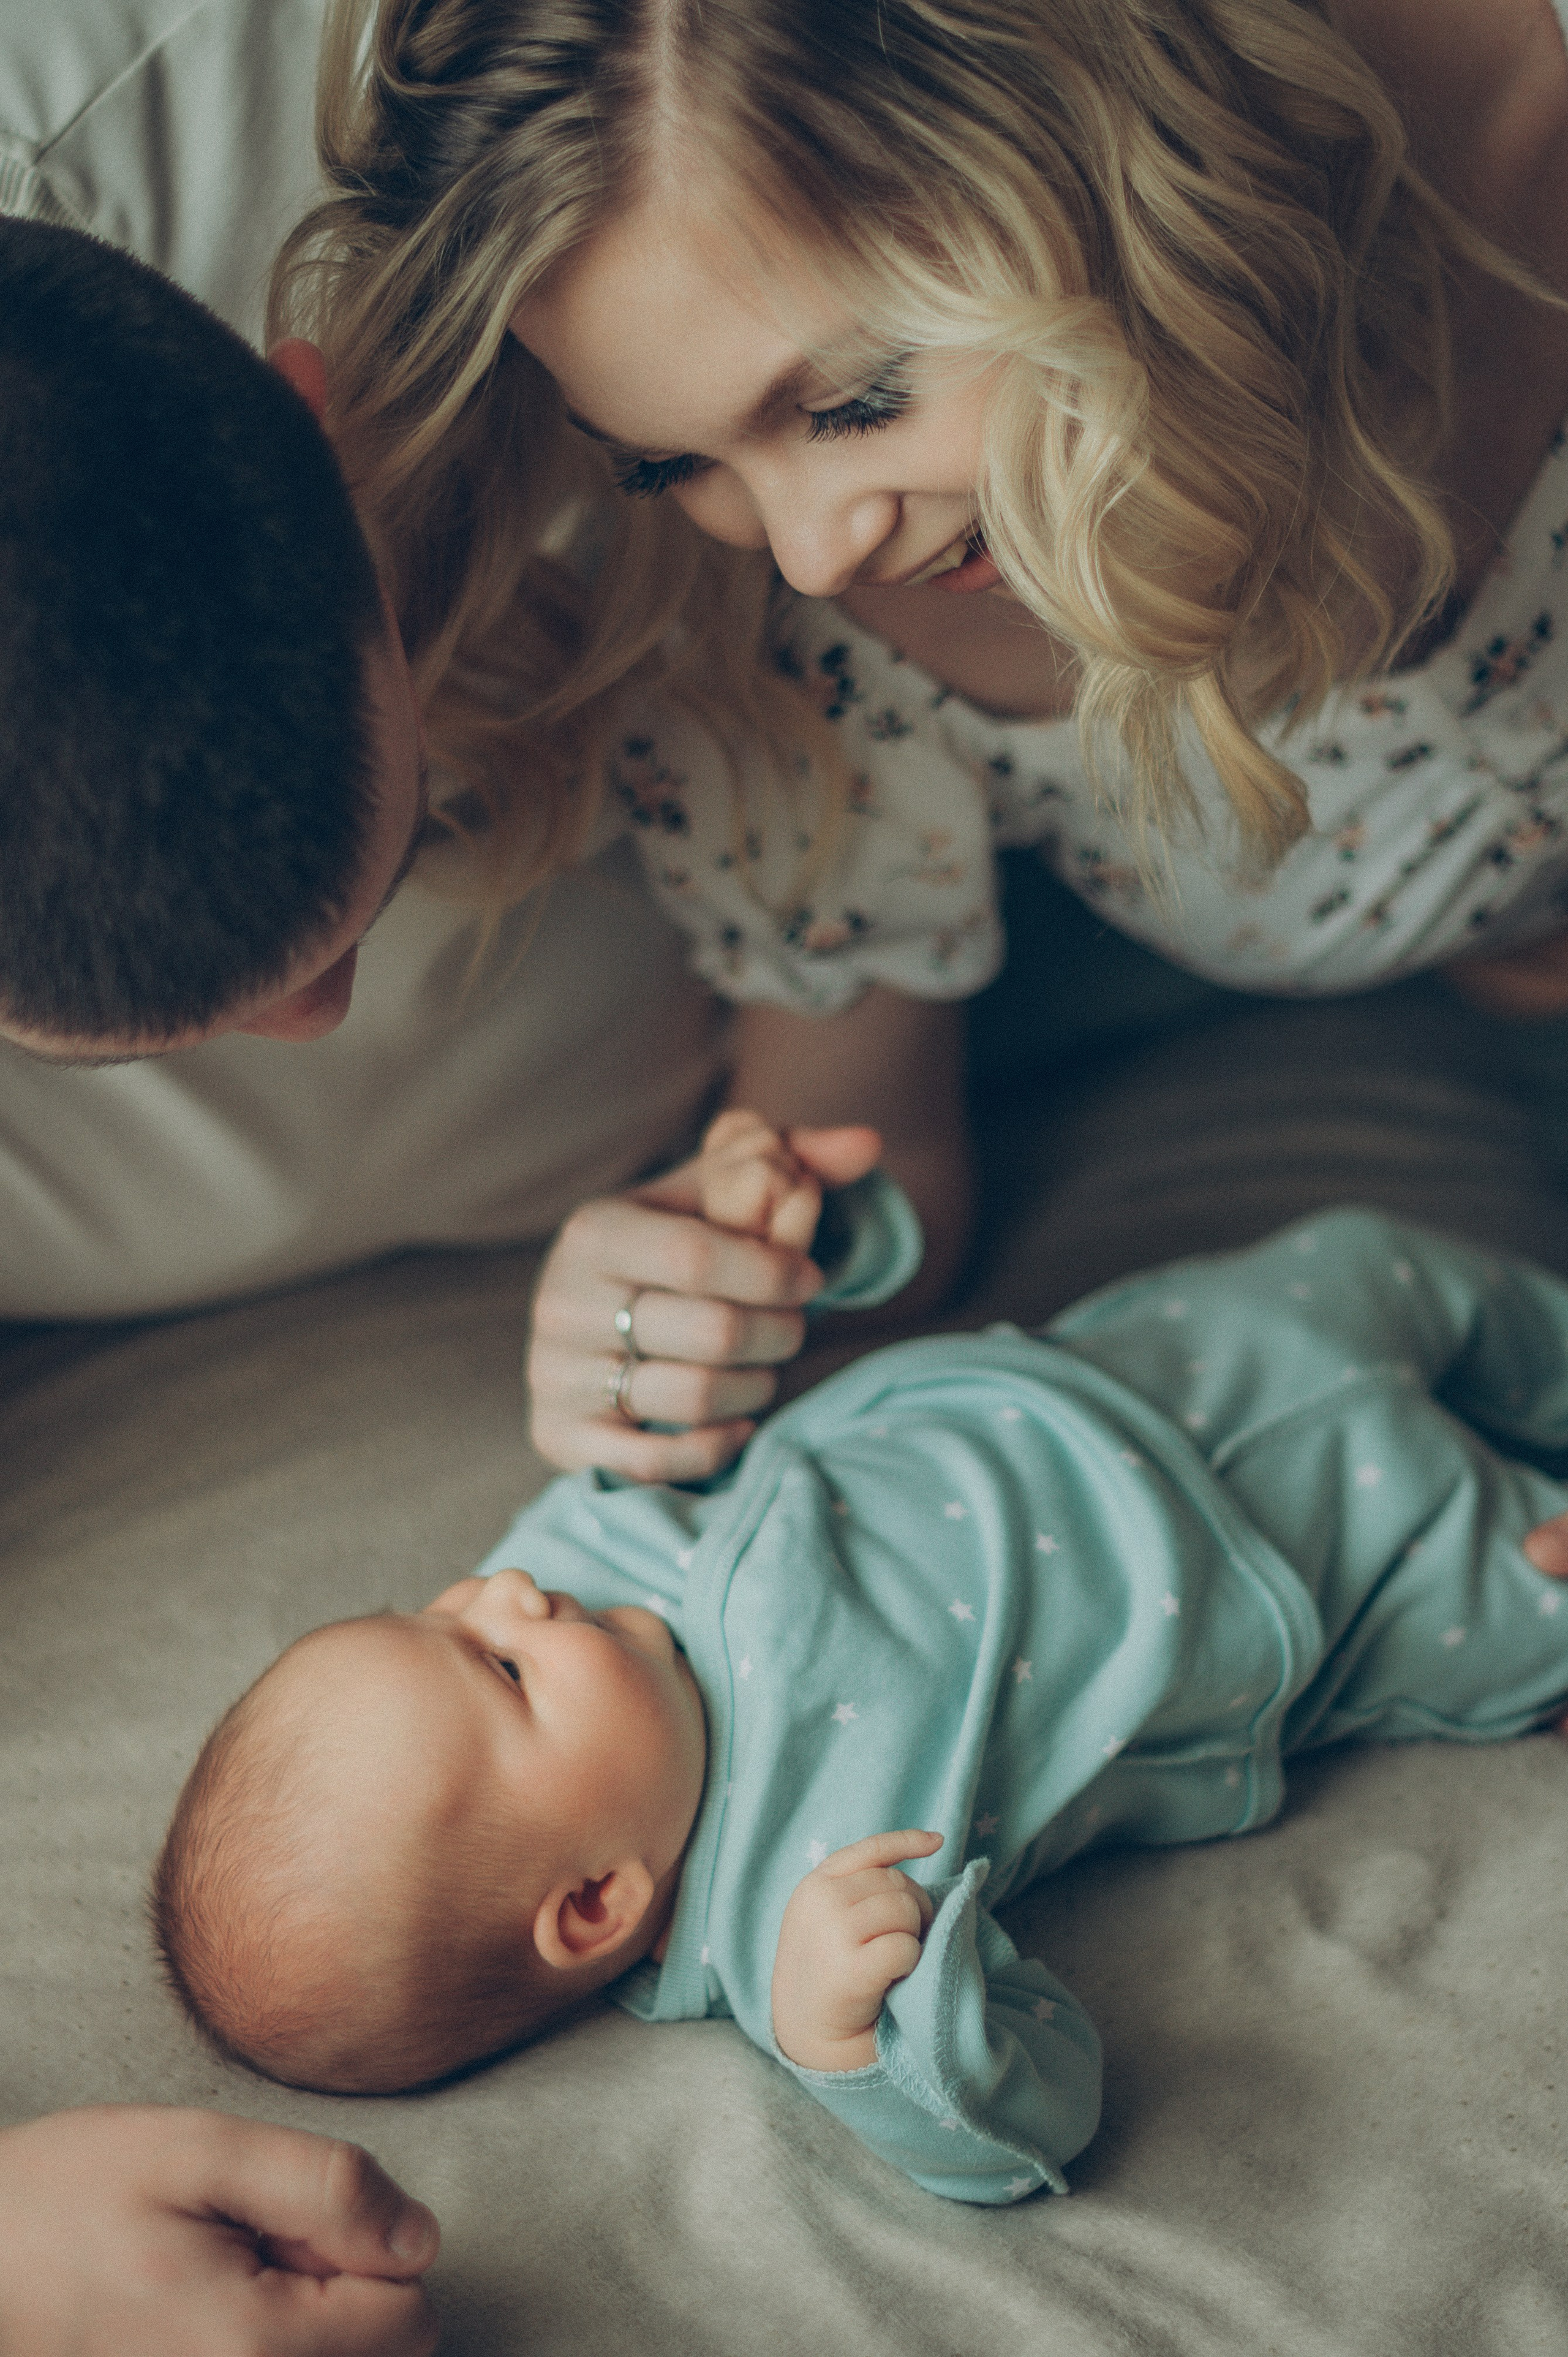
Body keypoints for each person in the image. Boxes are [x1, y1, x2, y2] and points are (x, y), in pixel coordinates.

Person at [275, 0, 1568, 1493]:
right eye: (669, 460)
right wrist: (714, 1294)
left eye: (855, 399)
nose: (811, 548)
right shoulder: (798, 643)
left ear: (1090, 136)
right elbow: (867, 1167)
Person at [153, 1116, 1568, 2203]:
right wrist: (867, 2051)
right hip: (1316, 1585)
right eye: (498, 1669)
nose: (504, 1592)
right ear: (593, 1901)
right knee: (1528, 1603)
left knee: (1388, 1258)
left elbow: (706, 1360)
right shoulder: (796, 1920)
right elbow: (1039, 2114)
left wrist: (790, 1230)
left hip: (1168, 1363)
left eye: (441, 1609)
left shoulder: (595, 1553)